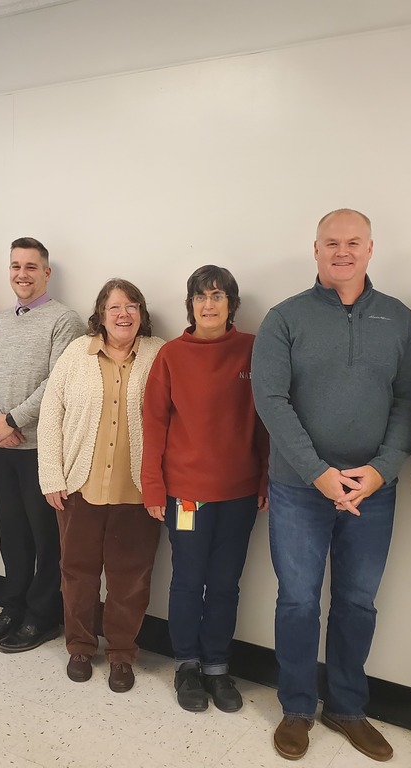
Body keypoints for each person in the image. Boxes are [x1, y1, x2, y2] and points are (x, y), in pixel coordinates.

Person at [252, 209, 411, 762]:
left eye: (353, 242)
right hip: (302, 489)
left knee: (357, 601)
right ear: (316, 250)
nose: (342, 251)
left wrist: (380, 469)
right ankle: (298, 707)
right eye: (331, 243)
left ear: (371, 249)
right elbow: (271, 403)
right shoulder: (286, 318)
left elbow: (410, 401)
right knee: (298, 601)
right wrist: (319, 474)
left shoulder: (397, 319)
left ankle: (347, 707)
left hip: (372, 490)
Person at [142, 265, 269, 714]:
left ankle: (217, 665)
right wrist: (153, 488)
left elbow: (267, 422)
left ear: (231, 304)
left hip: (238, 492)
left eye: (217, 296)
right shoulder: (171, 355)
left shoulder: (254, 350)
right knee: (188, 580)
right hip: (186, 494)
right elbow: (154, 424)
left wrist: (265, 477)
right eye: (200, 297)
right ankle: (186, 664)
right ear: (190, 305)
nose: (209, 304)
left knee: (225, 584)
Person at [38, 278, 164, 692]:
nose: (123, 314)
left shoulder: (159, 354)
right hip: (80, 488)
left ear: (141, 314)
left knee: (131, 576)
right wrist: (52, 476)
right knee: (77, 573)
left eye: (131, 306)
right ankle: (79, 644)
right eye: (114, 307)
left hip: (138, 491)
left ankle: (122, 653)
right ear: (101, 315)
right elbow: (51, 414)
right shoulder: (77, 353)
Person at [0, 237, 85, 652]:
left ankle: (42, 616)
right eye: (15, 266)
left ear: (46, 273)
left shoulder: (65, 320)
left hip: (42, 449)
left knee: (46, 539)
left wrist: (13, 420)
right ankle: (14, 606)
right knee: (11, 536)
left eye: (30, 266)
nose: (21, 274)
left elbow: (57, 383)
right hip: (3, 446)